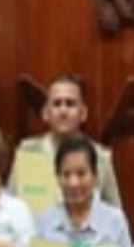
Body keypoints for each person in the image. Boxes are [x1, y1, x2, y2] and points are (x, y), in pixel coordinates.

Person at [10, 74, 122, 209]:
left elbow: (115, 215)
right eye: (57, 104)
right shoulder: (28, 153)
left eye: (70, 104)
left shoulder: (101, 157)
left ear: (83, 113)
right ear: (46, 113)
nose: (63, 111)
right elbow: (11, 210)